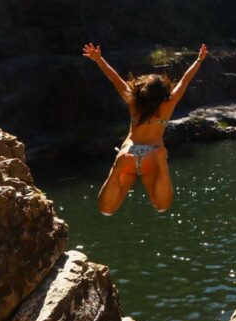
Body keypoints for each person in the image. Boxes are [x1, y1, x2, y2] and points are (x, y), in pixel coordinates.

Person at [83, 42, 207, 215]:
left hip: (129, 151)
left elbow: (114, 78)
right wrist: (199, 60)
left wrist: (98, 59)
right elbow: (186, 79)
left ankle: (116, 168)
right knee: (162, 206)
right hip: (154, 154)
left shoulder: (134, 102)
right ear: (163, 92)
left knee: (107, 210)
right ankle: (163, 166)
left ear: (141, 91)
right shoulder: (168, 104)